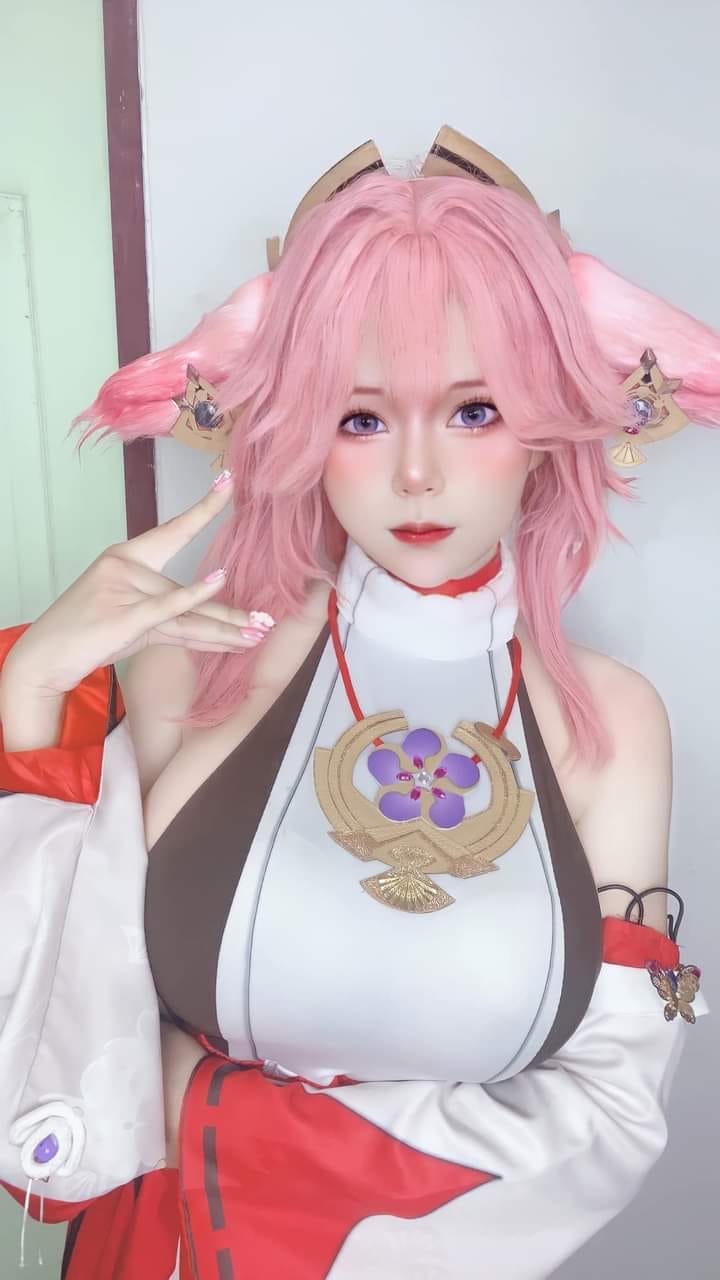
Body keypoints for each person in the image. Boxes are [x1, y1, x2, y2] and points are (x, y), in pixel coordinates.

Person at [0, 127, 716, 1279]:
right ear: (300, 431)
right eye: (362, 416)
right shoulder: (193, 659)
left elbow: (609, 1116)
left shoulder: (613, 723)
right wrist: (33, 691)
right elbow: (50, 1018)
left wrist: (201, 1112)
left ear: (548, 430)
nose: (417, 472)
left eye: (475, 410)